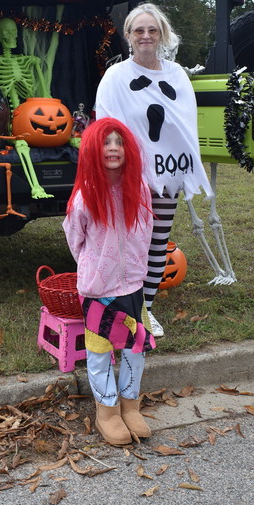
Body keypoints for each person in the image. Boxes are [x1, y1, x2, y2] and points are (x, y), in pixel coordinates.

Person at [95, 2, 213, 338]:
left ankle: (145, 310)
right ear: (128, 35)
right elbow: (107, 124)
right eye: (139, 30)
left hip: (166, 174)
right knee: (125, 243)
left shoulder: (176, 76)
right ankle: (120, 309)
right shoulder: (117, 77)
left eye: (152, 30)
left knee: (157, 243)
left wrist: (185, 168)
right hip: (130, 175)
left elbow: (185, 125)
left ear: (161, 34)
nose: (145, 36)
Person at [62, 117, 155, 446]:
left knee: (134, 349)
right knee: (100, 351)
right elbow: (75, 239)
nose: (113, 148)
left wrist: (134, 267)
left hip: (133, 286)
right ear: (92, 150)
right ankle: (108, 412)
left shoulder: (140, 190)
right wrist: (95, 267)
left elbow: (146, 233)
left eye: (119, 142)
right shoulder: (85, 197)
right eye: (105, 142)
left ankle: (130, 406)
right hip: (99, 291)